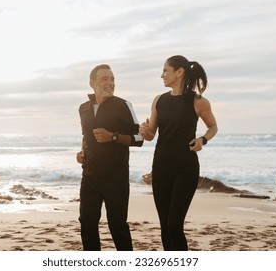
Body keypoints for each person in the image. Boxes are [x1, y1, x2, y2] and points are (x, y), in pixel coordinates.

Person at [139, 55, 218, 251]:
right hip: (161, 167)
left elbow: (213, 126)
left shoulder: (198, 101)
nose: (162, 75)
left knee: (174, 225)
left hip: (185, 168)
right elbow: (151, 135)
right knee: (165, 227)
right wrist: (144, 131)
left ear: (179, 72)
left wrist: (202, 140)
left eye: (165, 70)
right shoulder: (159, 100)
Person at [77, 64, 144, 251]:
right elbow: (85, 135)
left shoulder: (123, 105)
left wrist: (113, 136)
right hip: (89, 176)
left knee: (117, 225)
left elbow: (139, 138)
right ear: (92, 83)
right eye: (104, 79)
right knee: (87, 222)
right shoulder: (83, 108)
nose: (110, 83)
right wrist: (83, 151)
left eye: (112, 79)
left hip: (116, 177)